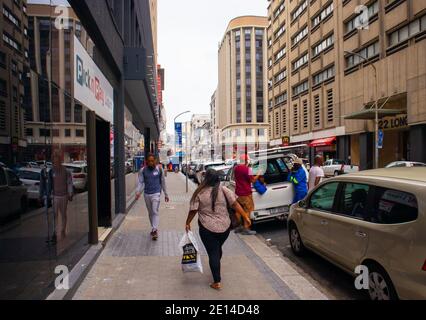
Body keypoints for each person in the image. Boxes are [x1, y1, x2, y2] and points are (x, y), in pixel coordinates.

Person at [185, 169, 249, 290]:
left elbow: (193, 210)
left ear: (206, 179)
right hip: (225, 228)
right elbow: (235, 204)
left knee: (213, 253)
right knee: (217, 249)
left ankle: (217, 281)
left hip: (207, 229)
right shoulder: (224, 190)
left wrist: (187, 222)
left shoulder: (200, 192)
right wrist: (245, 216)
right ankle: (216, 264)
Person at [39, 148, 74, 243]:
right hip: (55, 196)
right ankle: (54, 232)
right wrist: (45, 195)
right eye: (54, 159)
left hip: (64, 196)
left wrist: (70, 193)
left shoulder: (66, 171)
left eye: (57, 159)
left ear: (60, 160)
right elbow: (48, 184)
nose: (56, 161)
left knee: (63, 214)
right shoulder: (51, 171)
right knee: (54, 215)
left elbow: (69, 183)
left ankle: (62, 230)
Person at [135, 154, 170, 241]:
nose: (151, 162)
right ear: (146, 162)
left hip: (156, 193)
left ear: (155, 161)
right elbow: (140, 182)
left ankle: (154, 230)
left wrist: (166, 194)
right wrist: (138, 192)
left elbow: (163, 182)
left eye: (152, 161)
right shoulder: (142, 170)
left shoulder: (159, 169)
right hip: (147, 194)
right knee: (150, 213)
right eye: (149, 161)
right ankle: (153, 227)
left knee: (155, 211)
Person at [233, 154, 259, 235]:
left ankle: (239, 226)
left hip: (238, 192)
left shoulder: (236, 168)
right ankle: (246, 229)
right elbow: (253, 180)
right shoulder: (246, 169)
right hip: (246, 193)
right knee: (247, 210)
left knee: (238, 210)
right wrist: (258, 173)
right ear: (246, 161)